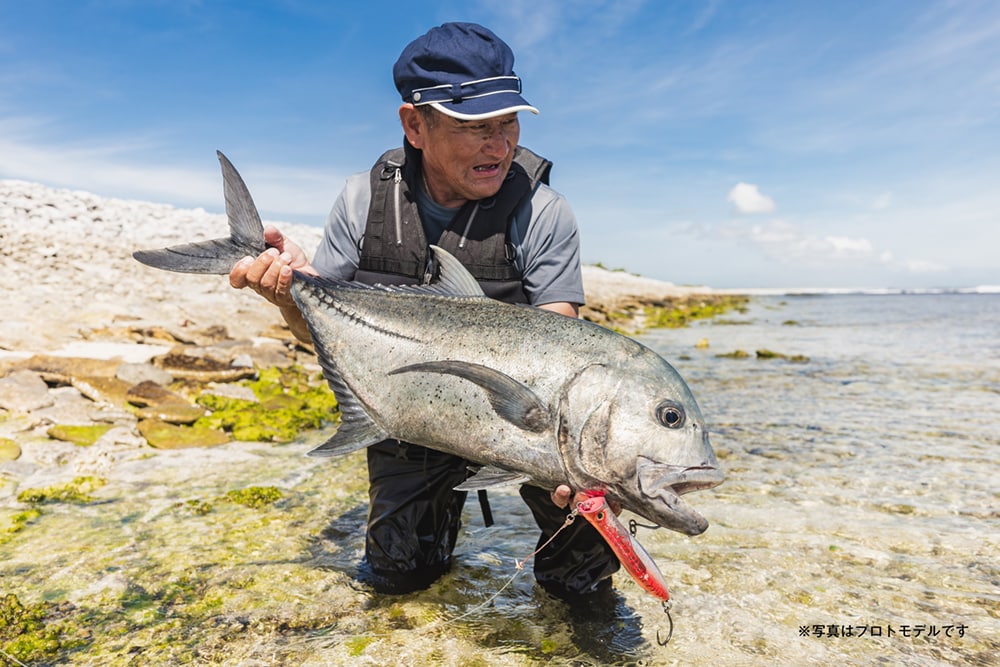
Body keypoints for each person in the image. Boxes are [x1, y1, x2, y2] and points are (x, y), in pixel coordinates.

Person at [229, 22, 618, 600]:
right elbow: (325, 339)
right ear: (415, 124)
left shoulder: (544, 211)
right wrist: (290, 294)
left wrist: (578, 460)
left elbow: (560, 349)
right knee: (400, 581)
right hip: (409, 421)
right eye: (474, 127)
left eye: (508, 122)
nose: (500, 144)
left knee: (585, 583)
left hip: (524, 428)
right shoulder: (362, 199)